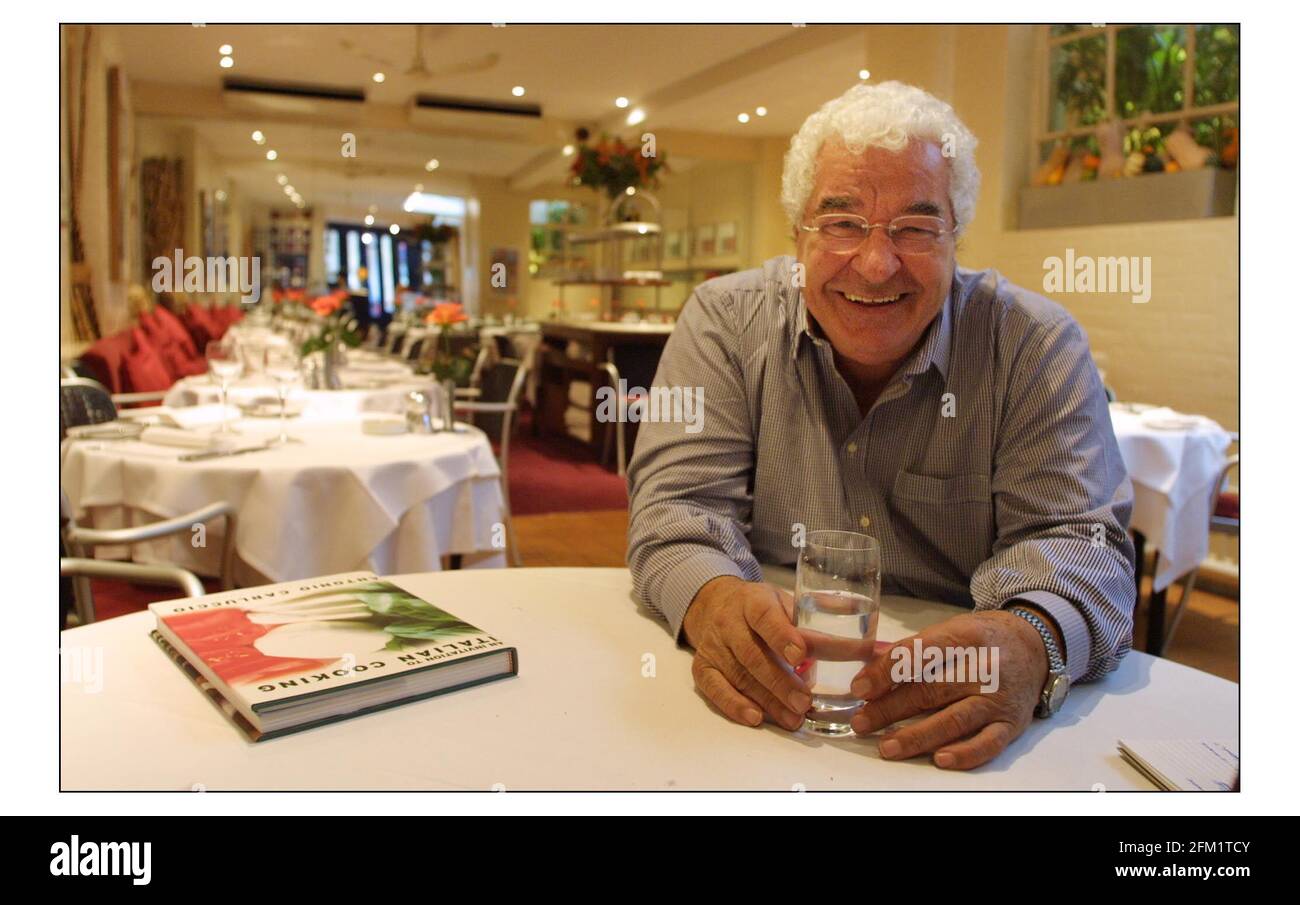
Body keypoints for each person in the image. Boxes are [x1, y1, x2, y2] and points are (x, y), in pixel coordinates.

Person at [627, 81, 1136, 770]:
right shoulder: (724, 321)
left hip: (956, 749)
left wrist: (1030, 637)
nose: (875, 263)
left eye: (916, 227)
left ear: (956, 235)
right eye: (841, 223)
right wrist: (711, 599)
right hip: (757, 737)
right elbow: (677, 506)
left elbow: (1079, 544)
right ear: (797, 234)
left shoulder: (1034, 346)